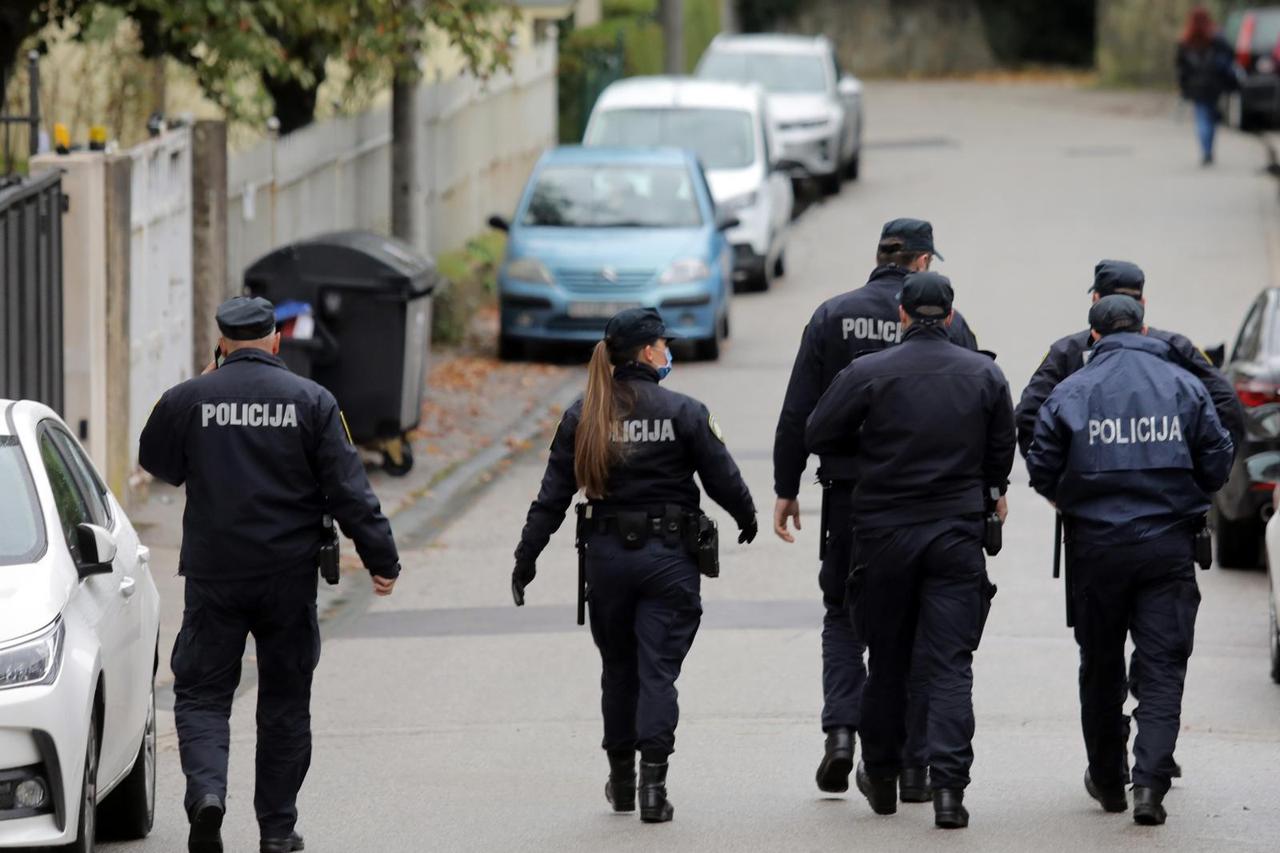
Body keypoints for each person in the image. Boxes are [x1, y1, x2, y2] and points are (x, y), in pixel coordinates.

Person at [139, 296, 401, 853]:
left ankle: (207, 795)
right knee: (284, 702)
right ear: (277, 340)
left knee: (202, 695)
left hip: (215, 575)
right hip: (287, 575)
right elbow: (349, 489)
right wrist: (381, 558)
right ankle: (277, 831)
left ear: (221, 343)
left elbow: (156, 462)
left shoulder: (188, 398)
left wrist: (203, 385)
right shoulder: (312, 401)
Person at [511, 307, 757, 824]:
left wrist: (526, 556)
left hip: (607, 562)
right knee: (657, 671)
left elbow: (552, 496)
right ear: (647, 352)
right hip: (669, 559)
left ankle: (622, 782)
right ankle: (653, 788)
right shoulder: (684, 411)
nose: (668, 352)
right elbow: (723, 478)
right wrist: (746, 516)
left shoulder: (584, 414)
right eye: (664, 344)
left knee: (619, 670)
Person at [772, 218, 978, 801]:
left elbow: (799, 410)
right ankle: (911, 765)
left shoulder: (831, 315)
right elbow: (975, 399)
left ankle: (842, 733)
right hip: (925, 502)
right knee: (912, 632)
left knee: (843, 614)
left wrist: (787, 485)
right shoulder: (952, 322)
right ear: (921, 262)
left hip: (849, 497)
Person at [805, 272, 1014, 829]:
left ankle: (881, 775)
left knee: (887, 659)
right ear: (950, 316)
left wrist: (872, 447)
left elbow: (818, 431)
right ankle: (948, 791)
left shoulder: (868, 372)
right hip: (955, 535)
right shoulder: (984, 374)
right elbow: (1002, 450)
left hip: (884, 535)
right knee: (949, 665)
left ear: (901, 314)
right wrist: (987, 486)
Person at [1026, 296, 1233, 826]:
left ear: (1093, 337)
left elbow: (1042, 465)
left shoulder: (1073, 390)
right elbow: (1217, 458)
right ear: (1144, 329)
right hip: (1168, 546)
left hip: (1095, 550)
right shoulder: (1183, 385)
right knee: (1163, 667)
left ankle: (1107, 778)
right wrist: (1188, 493)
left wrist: (1071, 500)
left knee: (1100, 664)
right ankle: (1149, 786)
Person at [1015, 260, 1243, 460]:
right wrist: (1205, 477)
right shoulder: (1178, 348)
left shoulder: (1066, 352)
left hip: (1086, 492)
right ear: (1142, 302)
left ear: (1095, 299)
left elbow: (1029, 415)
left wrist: (1056, 480)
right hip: (1167, 491)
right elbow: (1226, 403)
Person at [1175, 6, 1236, 166]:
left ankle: (1206, 150)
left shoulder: (1186, 40)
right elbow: (1230, 55)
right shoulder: (1216, 37)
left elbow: (1181, 67)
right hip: (1214, 84)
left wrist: (1183, 86)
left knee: (1202, 116)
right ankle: (1208, 150)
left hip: (1196, 85)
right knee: (1210, 115)